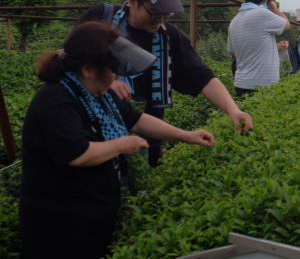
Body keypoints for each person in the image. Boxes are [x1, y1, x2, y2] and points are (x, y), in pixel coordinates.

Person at [20, 22, 215, 259]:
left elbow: (137, 120)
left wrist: (185, 135)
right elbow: (77, 154)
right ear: (89, 69)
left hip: (95, 214)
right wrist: (123, 144)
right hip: (62, 226)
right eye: (112, 69)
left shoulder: (99, 92)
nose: (116, 76)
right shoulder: (56, 101)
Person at [78, 0, 252, 166]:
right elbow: (71, 61)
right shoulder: (101, 18)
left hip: (147, 140)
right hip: (93, 139)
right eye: (154, 13)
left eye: (166, 14)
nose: (160, 20)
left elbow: (201, 77)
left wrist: (233, 110)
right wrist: (107, 83)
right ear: (133, 1)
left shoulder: (168, 37)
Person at [227, 0, 290, 95]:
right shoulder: (262, 13)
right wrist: (274, 8)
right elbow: (286, 25)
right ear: (266, 1)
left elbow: (232, 52)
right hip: (262, 84)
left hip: (240, 83)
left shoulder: (234, 21)